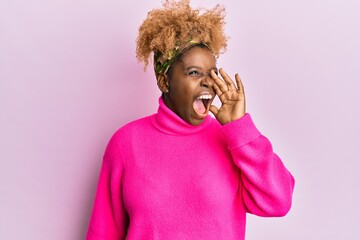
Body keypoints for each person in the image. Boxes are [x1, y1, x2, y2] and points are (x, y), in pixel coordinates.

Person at [86, 0, 295, 239]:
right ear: (165, 82)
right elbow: (103, 233)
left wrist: (241, 130)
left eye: (212, 73)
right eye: (194, 73)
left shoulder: (233, 141)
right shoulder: (126, 143)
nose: (208, 82)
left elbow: (279, 202)